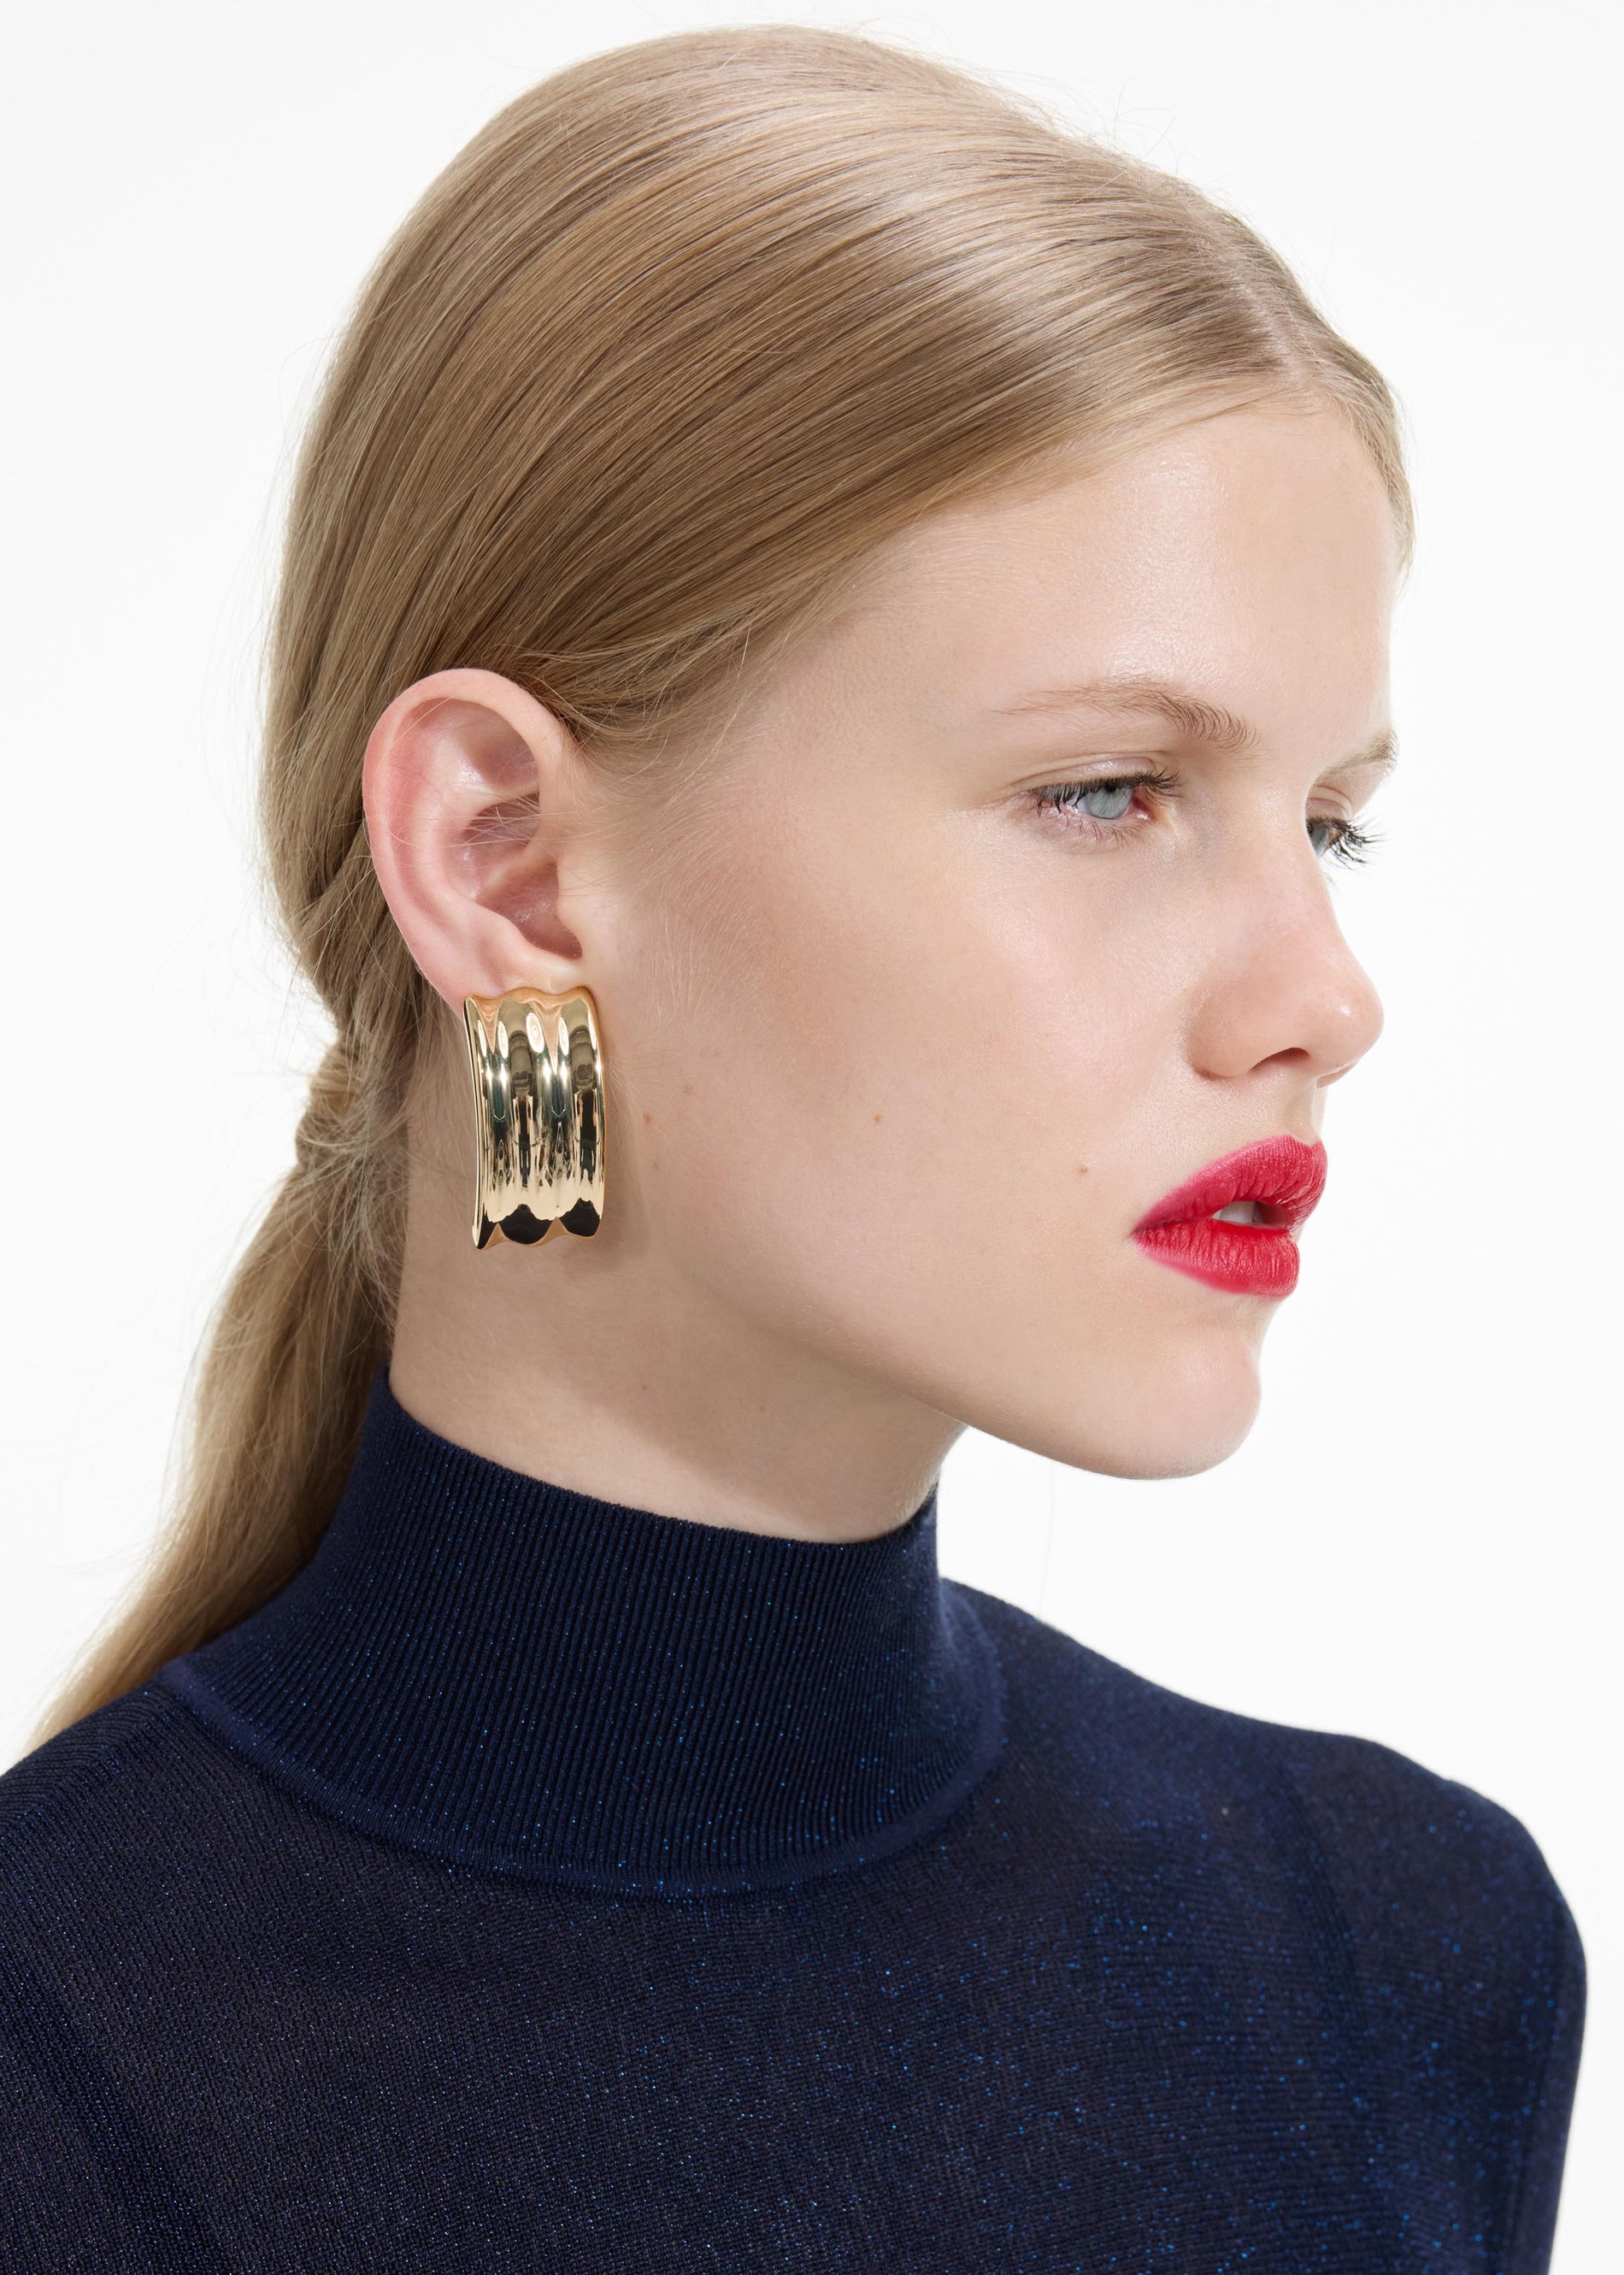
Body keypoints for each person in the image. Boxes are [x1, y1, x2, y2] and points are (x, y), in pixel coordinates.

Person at [0, 22, 1583, 2270]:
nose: (1317, 995)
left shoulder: (1403, 1960)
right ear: (511, 868)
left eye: (1329, 818)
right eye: (1110, 791)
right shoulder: (62, 2075)